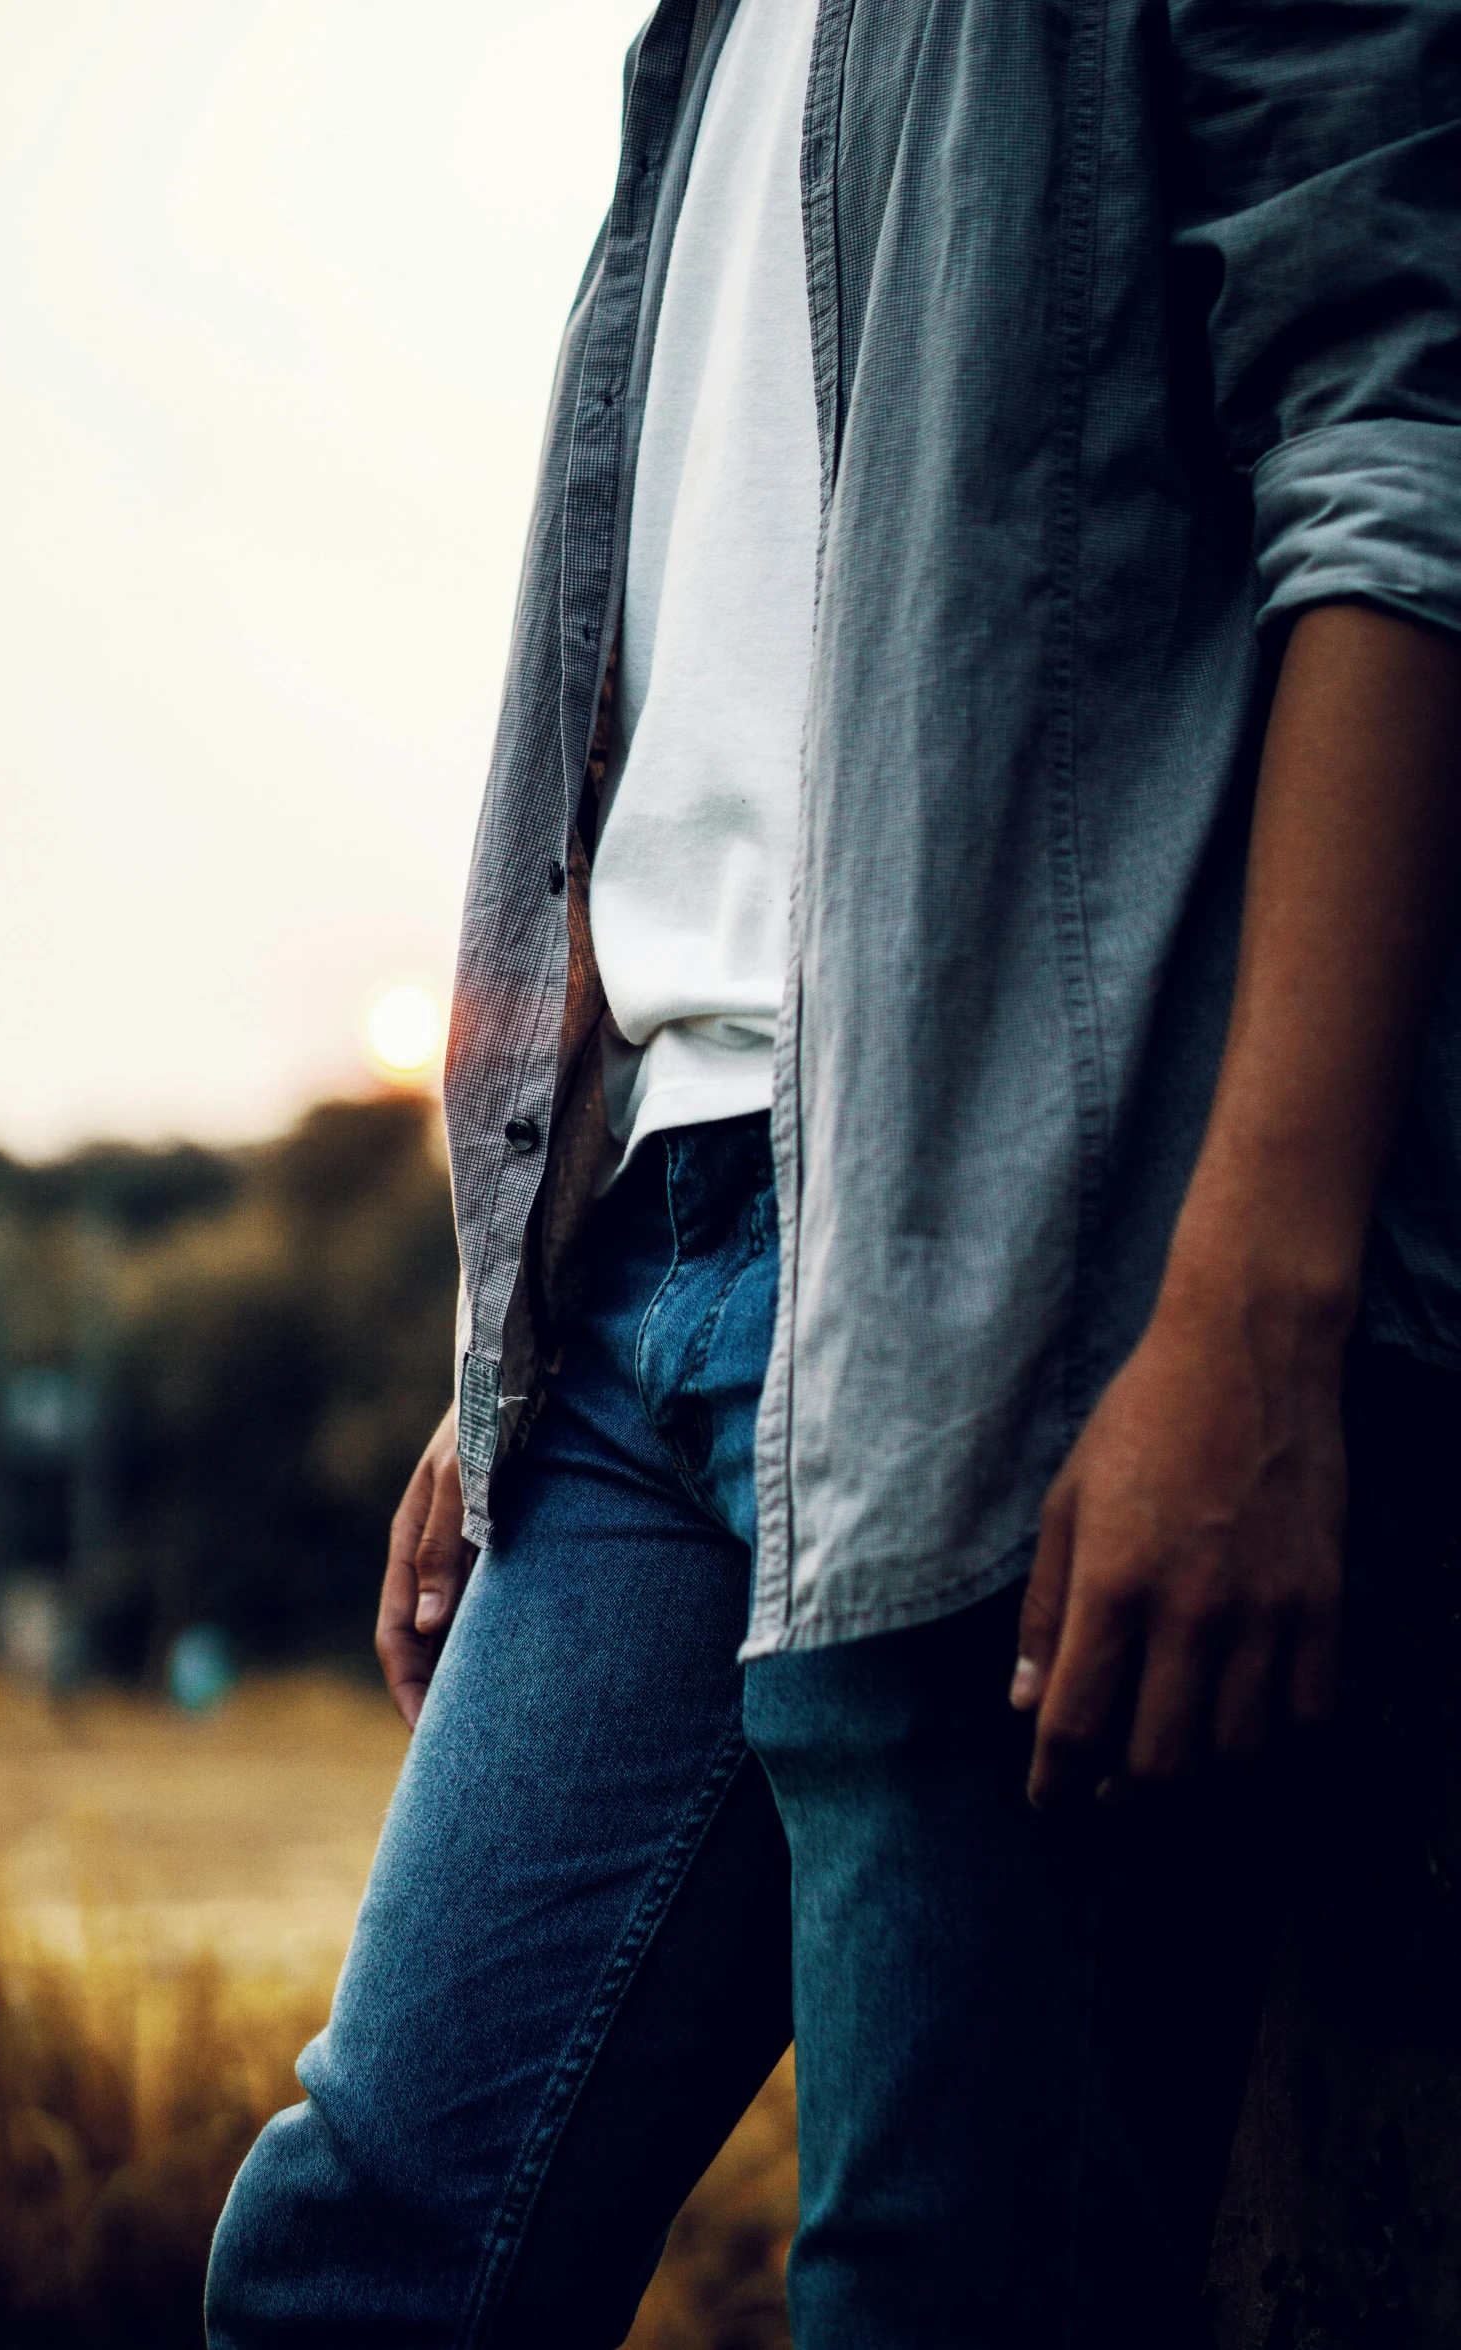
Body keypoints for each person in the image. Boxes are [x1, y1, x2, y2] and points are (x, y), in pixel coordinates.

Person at [206, 0, 1461, 2341]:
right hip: (651, 1279)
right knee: (361, 2263)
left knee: (948, 2289)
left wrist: (1254, 1310)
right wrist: (512, 1306)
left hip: (1038, 1271)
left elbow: (1407, 447)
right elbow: (698, 702)